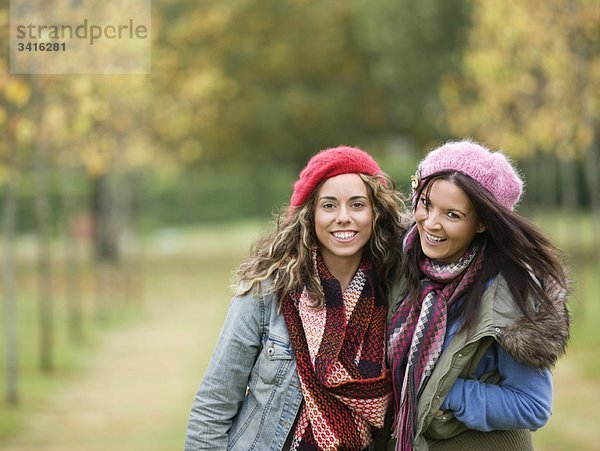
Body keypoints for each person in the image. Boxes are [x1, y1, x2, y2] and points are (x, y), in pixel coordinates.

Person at [185, 145, 409, 450]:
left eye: (357, 205)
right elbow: (213, 408)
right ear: (310, 214)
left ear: (375, 212)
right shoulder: (268, 293)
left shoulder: (394, 295)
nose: (344, 217)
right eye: (329, 205)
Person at [386, 139, 570, 451]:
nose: (431, 223)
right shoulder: (400, 267)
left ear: (482, 222)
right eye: (426, 204)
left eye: (452, 215)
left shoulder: (508, 293)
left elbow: (533, 405)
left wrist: (440, 391)